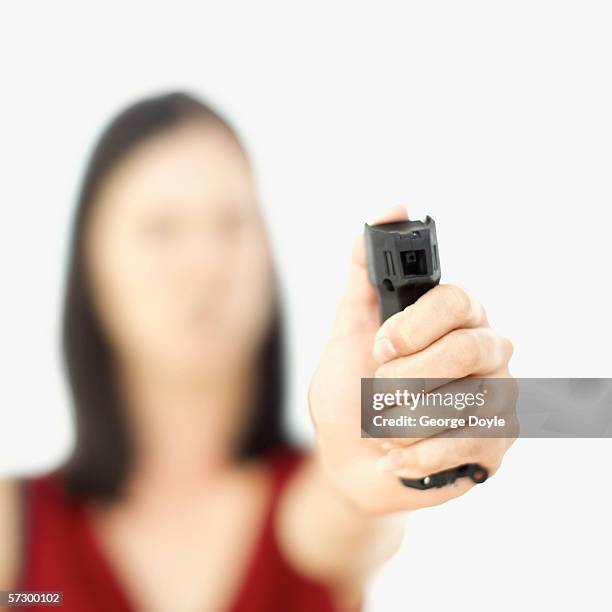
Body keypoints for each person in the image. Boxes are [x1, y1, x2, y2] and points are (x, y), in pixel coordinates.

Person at [0, 92, 516, 612]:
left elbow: (343, 513)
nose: (205, 262)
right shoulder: (13, 531)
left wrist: (372, 464)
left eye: (232, 223)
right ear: (91, 267)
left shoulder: (308, 503)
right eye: (160, 228)